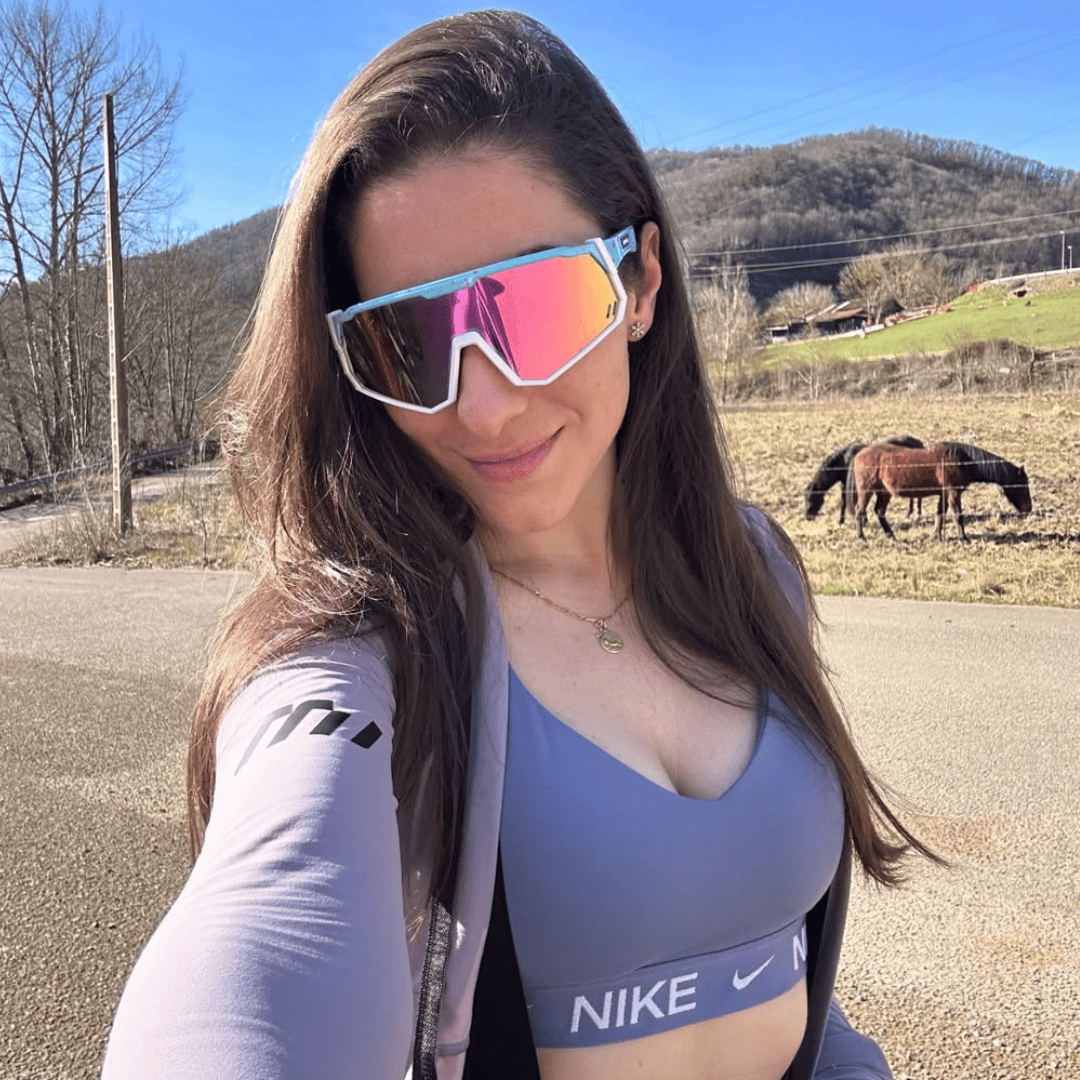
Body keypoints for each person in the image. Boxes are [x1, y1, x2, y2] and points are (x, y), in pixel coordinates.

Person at [102, 11, 939, 1080]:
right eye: (407, 342)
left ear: (638, 284)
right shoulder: (363, 649)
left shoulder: (756, 566)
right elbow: (259, 941)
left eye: (533, 304)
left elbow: (783, 970)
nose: (484, 406)